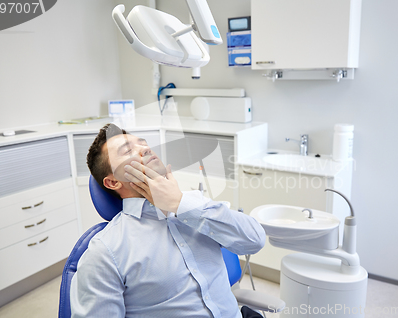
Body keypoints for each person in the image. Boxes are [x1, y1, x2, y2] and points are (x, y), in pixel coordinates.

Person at [70, 123, 266, 318]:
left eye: (142, 143)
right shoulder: (105, 251)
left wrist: (180, 203)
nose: (144, 148)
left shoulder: (196, 205)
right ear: (113, 181)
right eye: (128, 150)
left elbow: (255, 240)